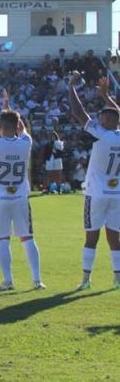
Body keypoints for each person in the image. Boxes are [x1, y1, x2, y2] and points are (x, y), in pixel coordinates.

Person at [0, 88, 45, 291]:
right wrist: (7, 107)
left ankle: (8, 281)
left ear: (0, 126)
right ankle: (37, 280)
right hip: (20, 198)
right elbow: (21, 128)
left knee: (3, 240)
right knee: (27, 238)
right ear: (17, 126)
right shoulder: (26, 142)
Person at [68, 72, 120, 291]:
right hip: (117, 194)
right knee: (115, 239)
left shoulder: (102, 134)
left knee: (91, 237)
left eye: (102, 117)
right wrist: (106, 97)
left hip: (96, 193)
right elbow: (118, 114)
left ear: (107, 121)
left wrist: (71, 88)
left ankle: (86, 279)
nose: (99, 119)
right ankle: (117, 279)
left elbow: (80, 113)